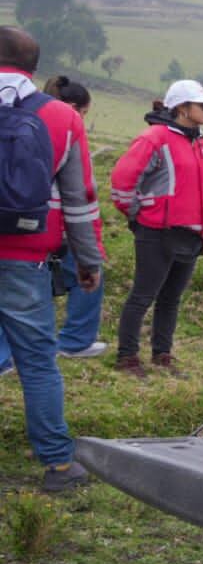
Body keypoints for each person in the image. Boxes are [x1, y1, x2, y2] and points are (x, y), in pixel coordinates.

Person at [0, 27, 105, 491]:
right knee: (38, 362)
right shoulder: (62, 117)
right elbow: (80, 200)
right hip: (25, 260)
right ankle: (59, 465)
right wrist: (87, 261)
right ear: (33, 68)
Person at [110, 81, 203, 377]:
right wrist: (138, 216)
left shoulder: (201, 143)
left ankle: (162, 354)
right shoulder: (154, 139)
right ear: (182, 108)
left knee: (171, 298)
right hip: (157, 232)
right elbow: (123, 182)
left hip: (191, 235)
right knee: (143, 295)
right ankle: (127, 357)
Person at [0, 76, 105, 374]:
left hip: (21, 228)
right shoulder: (62, 125)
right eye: (84, 113)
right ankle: (73, 340)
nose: (84, 119)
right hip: (46, 231)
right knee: (37, 356)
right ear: (73, 108)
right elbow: (80, 196)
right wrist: (91, 255)